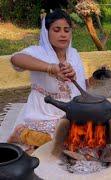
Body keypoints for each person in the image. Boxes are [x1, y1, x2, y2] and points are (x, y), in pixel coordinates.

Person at [7, 9, 87, 148]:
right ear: (46, 32)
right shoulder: (39, 52)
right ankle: (21, 133)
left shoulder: (74, 54)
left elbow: (79, 86)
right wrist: (51, 68)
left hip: (69, 107)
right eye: (56, 30)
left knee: (91, 134)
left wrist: (92, 78)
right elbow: (15, 59)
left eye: (66, 30)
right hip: (45, 109)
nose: (63, 34)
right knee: (61, 142)